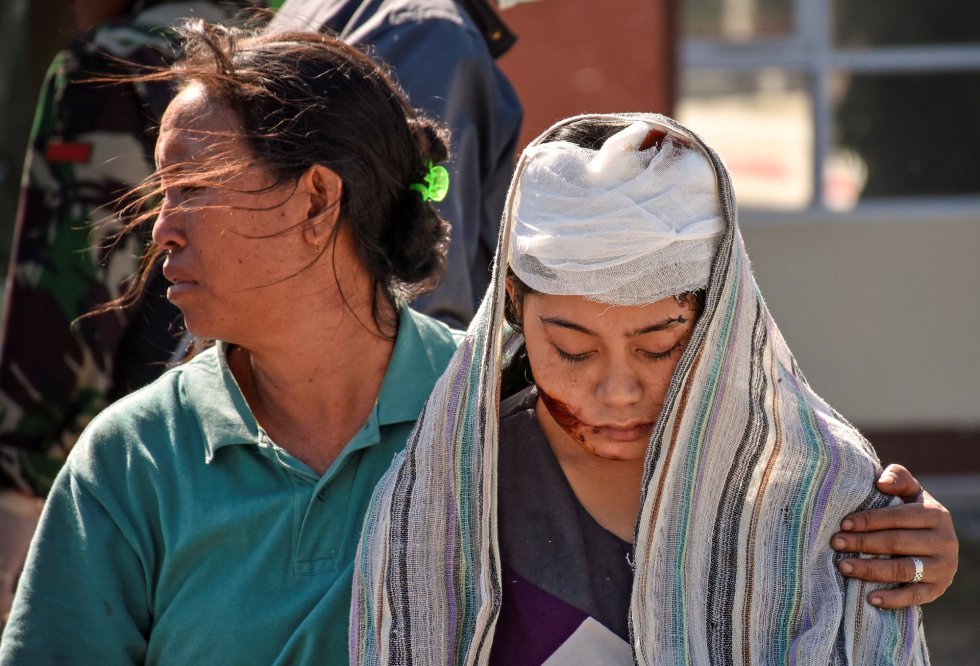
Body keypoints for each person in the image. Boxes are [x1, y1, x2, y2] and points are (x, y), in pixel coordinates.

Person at [0, 25, 957, 664]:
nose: (159, 228)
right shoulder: (133, 461)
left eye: (194, 190)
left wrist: (890, 543)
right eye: (570, 346)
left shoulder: (503, 410)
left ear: (318, 201)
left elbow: (751, 521)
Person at [351, 114, 939, 664]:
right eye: (572, 348)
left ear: (721, 317)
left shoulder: (824, 492)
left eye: (659, 346)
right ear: (512, 304)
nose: (618, 392)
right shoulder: (447, 500)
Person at [0, 0, 262, 618]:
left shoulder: (109, 63)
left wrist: (20, 477)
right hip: (240, 449)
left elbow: (69, 291)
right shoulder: (270, 49)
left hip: (114, 470)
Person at [268, 0, 523, 328]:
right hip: (358, 347)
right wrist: (432, 357)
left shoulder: (330, 6)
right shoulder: (430, 30)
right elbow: (417, 293)